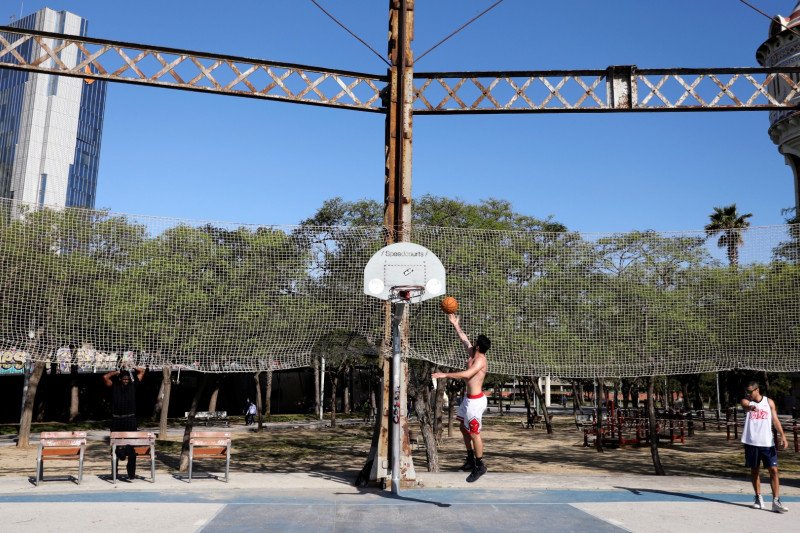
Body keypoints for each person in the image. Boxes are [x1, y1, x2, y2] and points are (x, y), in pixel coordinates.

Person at [432, 313, 490, 483]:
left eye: (475, 342)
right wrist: (455, 324)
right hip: (468, 399)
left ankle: (480, 465)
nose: (472, 343)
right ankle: (470, 459)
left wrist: (444, 374)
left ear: (478, 346)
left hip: (476, 401)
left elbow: (466, 374)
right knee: (463, 429)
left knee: (474, 433)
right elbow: (464, 339)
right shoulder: (473, 352)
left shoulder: (480, 360)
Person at [741, 381, 789, 513]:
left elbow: (775, 420)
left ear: (757, 390)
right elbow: (745, 405)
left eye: (750, 391)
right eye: (747, 392)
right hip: (751, 442)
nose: (748, 394)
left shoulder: (769, 402)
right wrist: (750, 408)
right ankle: (758, 497)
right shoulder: (747, 401)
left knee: (773, 470)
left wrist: (783, 436)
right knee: (754, 470)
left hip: (767, 443)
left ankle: (776, 501)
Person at [103, 366, 145, 481]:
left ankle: (131, 474)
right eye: (124, 379)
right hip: (116, 420)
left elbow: (141, 371)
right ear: (120, 379)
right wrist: (116, 372)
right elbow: (105, 377)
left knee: (131, 448)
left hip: (130, 420)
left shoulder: (133, 385)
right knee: (115, 446)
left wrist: (132, 366)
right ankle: (116, 469)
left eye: (127, 379)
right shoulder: (114, 386)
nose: (126, 381)